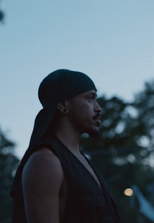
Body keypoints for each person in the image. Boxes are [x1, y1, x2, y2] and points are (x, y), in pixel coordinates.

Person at [10, 69, 120, 223]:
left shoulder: (82, 160)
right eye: (90, 98)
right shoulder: (45, 161)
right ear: (63, 104)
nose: (98, 108)